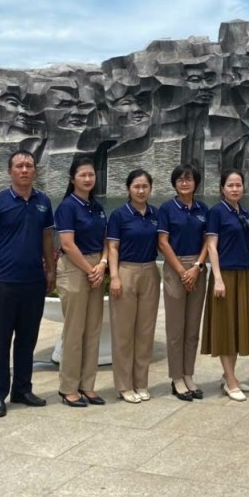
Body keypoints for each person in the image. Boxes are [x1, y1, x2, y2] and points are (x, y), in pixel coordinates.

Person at [0, 149, 55, 418]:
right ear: (10, 171)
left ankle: (22, 389)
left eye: (29, 166)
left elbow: (48, 239)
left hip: (33, 282)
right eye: (19, 166)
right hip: (3, 283)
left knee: (27, 340)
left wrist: (51, 270)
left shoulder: (43, 202)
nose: (24, 170)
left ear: (35, 171)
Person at [54, 155, 108, 407]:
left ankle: (88, 385)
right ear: (72, 178)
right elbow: (67, 243)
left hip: (96, 266)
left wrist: (103, 265)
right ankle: (68, 388)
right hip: (75, 269)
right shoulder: (67, 206)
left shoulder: (96, 207)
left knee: (93, 330)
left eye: (91, 175)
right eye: (83, 175)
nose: (88, 179)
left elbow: (108, 240)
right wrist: (90, 269)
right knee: (74, 331)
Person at [106, 169, 161, 403]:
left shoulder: (155, 214)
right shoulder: (119, 215)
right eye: (136, 186)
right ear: (129, 188)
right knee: (123, 332)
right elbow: (113, 248)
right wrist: (115, 277)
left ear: (150, 189)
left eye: (145, 186)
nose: (141, 190)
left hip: (150, 271)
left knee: (145, 332)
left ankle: (141, 382)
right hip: (126, 272)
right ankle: (123, 384)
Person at [201, 168, 249, 401]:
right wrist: (218, 278)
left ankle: (229, 375)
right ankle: (231, 382)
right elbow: (212, 246)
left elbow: (247, 247)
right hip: (225, 275)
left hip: (242, 274)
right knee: (225, 327)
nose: (235, 189)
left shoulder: (244, 212)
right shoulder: (217, 212)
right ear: (222, 188)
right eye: (230, 185)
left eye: (238, 185)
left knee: (237, 326)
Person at [156, 163, 209, 401]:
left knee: (192, 328)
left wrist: (196, 268)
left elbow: (209, 241)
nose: (185, 183)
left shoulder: (202, 209)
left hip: (198, 267)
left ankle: (189, 374)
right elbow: (163, 242)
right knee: (176, 328)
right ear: (175, 183)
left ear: (196, 183)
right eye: (180, 179)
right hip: (175, 268)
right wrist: (181, 271)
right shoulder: (167, 209)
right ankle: (176, 377)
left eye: (189, 179)